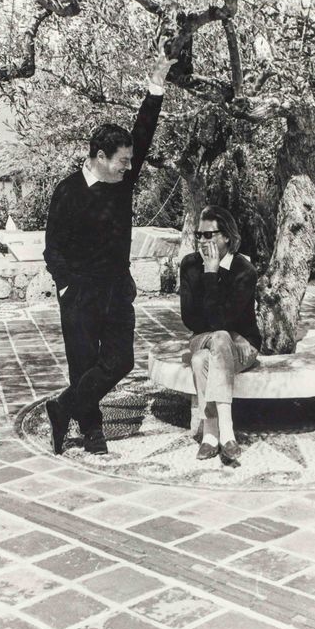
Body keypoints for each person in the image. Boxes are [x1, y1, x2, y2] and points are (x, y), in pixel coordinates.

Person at [44, 41, 176, 456]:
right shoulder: (67, 192)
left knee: (120, 362)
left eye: (129, 161)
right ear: (100, 157)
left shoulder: (123, 183)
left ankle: (62, 406)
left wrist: (156, 84)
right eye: (121, 160)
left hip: (118, 289)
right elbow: (52, 249)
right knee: (83, 364)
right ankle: (92, 434)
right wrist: (66, 286)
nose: (128, 166)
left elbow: (144, 130)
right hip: (80, 294)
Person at [180, 205, 262, 462]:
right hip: (202, 338)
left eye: (209, 235)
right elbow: (189, 318)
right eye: (199, 235)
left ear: (226, 236)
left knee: (201, 359)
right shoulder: (190, 264)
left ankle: (211, 434)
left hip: (243, 345)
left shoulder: (244, 270)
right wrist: (207, 273)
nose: (202, 241)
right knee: (217, 338)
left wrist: (213, 274)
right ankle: (227, 431)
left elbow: (222, 321)